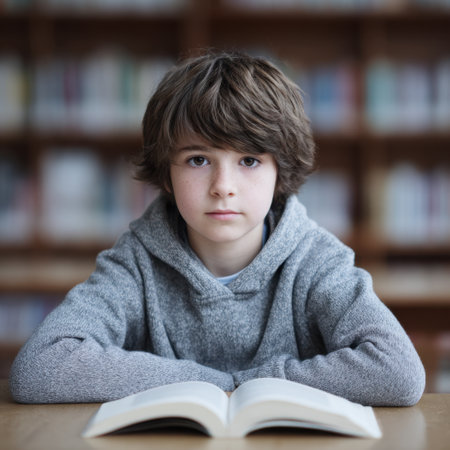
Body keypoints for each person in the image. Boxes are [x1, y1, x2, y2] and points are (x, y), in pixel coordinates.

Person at [10, 51, 425, 406]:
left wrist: (247, 385)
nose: (223, 187)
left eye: (248, 161)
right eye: (197, 160)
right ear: (166, 172)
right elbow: (40, 366)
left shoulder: (317, 260)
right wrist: (215, 384)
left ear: (280, 171)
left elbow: (399, 372)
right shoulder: (135, 261)